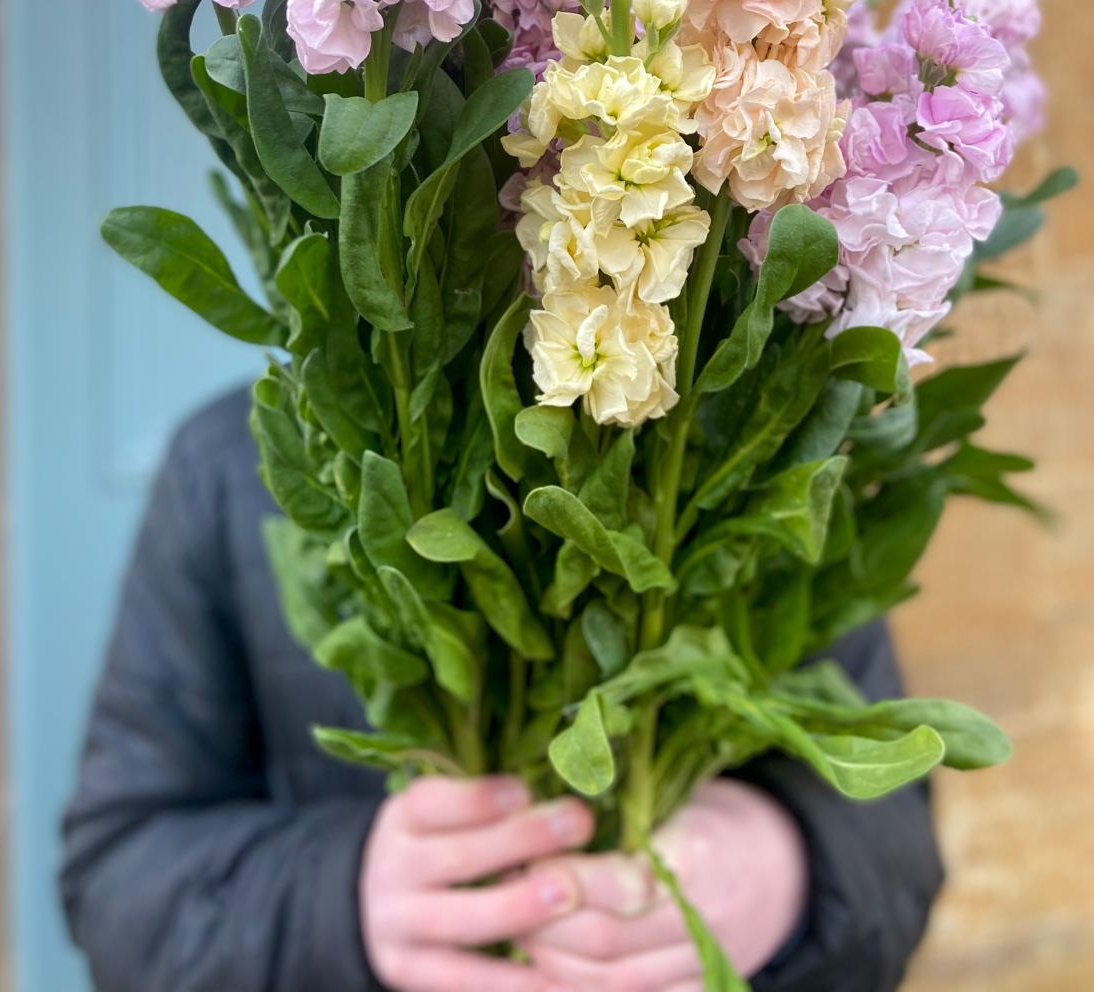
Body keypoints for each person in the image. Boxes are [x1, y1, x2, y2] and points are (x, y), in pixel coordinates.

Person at [61, 389, 945, 991]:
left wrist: (786, 870)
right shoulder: (225, 467)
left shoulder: (757, 442)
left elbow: (896, 843)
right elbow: (116, 877)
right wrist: (343, 901)